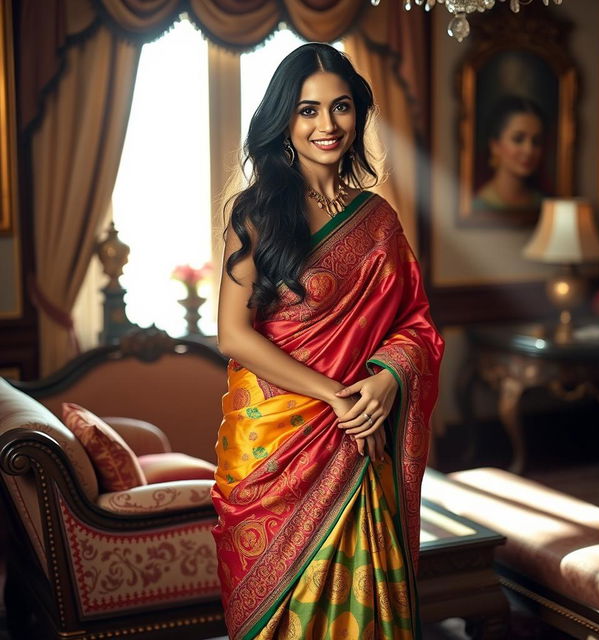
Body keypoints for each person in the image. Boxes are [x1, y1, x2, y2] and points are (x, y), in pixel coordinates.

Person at [211, 42, 443, 640]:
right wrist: (335, 394)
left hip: (357, 439)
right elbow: (233, 334)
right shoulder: (257, 212)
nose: (327, 124)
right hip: (275, 442)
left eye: (340, 107)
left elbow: (414, 321)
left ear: (358, 115)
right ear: (285, 120)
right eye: (308, 110)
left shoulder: (378, 219)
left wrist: (388, 378)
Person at [472, 95, 546, 214]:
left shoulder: (543, 205)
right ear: (495, 145)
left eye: (536, 141)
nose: (529, 150)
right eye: (518, 139)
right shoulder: (479, 207)